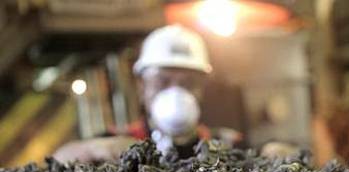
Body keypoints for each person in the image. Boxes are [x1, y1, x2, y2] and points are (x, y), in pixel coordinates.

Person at [54, 25, 239, 162]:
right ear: (142, 86)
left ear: (202, 89)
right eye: (162, 82)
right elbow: (57, 161)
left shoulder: (226, 145)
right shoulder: (113, 141)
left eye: (188, 83)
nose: (175, 91)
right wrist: (94, 148)